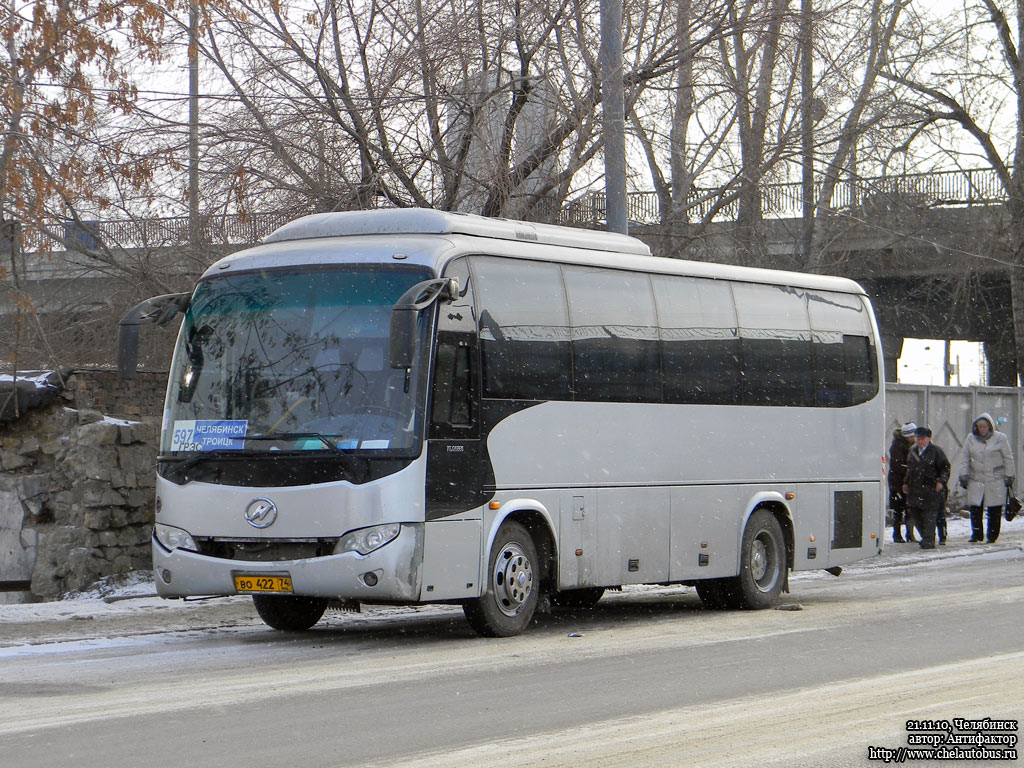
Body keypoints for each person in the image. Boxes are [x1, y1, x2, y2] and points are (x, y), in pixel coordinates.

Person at [958, 412, 1015, 543]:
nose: (982, 429)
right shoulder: (970, 438)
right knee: (975, 508)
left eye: (984, 426)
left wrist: (1009, 475)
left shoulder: (1000, 438)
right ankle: (977, 534)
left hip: (995, 479)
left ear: (990, 426)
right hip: (976, 478)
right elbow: (965, 458)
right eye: (979, 426)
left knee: (994, 509)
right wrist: (963, 474)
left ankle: (992, 535)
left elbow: (1008, 458)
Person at [903, 426, 951, 550]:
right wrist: (906, 483)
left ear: (929, 439)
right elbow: (909, 469)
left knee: (929, 516)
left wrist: (941, 482)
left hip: (930, 490)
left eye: (923, 439)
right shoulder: (913, 451)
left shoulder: (936, 451)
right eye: (918, 439)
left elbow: (945, 468)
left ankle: (929, 539)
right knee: (915, 514)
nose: (920, 441)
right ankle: (926, 536)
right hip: (915, 490)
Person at [888, 422, 917, 542]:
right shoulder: (897, 446)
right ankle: (897, 534)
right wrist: (911, 470)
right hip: (898, 482)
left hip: (906, 481)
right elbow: (897, 466)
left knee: (908, 509)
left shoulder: (909, 446)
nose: (913, 439)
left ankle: (908, 534)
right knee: (899, 509)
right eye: (911, 436)